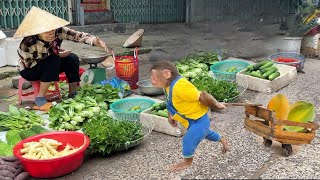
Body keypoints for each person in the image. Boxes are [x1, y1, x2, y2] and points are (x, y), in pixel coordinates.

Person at [14, 6, 110, 109]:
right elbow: (29, 64)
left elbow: (77, 36)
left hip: (50, 64)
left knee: (72, 58)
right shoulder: (27, 43)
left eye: (52, 29)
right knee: (53, 59)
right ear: (38, 32)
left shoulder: (58, 31)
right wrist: (55, 54)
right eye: (46, 31)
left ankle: (72, 92)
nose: (51, 33)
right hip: (30, 70)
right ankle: (40, 97)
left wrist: (95, 41)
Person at [150, 60, 230, 172]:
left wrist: (217, 105)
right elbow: (170, 102)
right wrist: (171, 115)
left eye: (153, 77)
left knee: (188, 140)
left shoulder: (180, 86)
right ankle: (222, 140)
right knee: (206, 133)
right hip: (190, 121)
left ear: (167, 74)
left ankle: (187, 162)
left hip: (199, 120)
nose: (152, 81)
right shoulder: (167, 87)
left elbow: (203, 95)